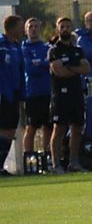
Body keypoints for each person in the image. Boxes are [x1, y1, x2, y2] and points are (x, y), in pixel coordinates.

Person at [48, 17, 90, 173]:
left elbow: (87, 69)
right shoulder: (54, 50)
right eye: (62, 26)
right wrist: (75, 68)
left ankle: (74, 162)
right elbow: (59, 72)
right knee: (59, 129)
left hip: (76, 94)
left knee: (77, 128)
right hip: (60, 96)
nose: (65, 29)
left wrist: (70, 67)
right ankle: (56, 164)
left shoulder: (77, 50)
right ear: (57, 29)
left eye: (67, 26)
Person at [21, 18, 52, 163]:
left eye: (36, 26)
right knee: (31, 127)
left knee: (48, 126)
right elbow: (30, 69)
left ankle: (47, 158)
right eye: (30, 26)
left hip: (47, 91)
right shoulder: (23, 48)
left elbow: (49, 66)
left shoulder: (46, 47)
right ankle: (29, 160)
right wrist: (41, 64)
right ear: (25, 30)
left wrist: (40, 64)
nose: (33, 29)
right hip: (32, 93)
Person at [0, 15, 26, 173]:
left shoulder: (17, 46)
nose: (22, 30)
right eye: (20, 26)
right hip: (4, 94)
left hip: (14, 95)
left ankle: (1, 165)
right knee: (4, 130)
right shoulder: (1, 45)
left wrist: (22, 95)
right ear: (12, 27)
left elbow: (21, 71)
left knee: (10, 131)